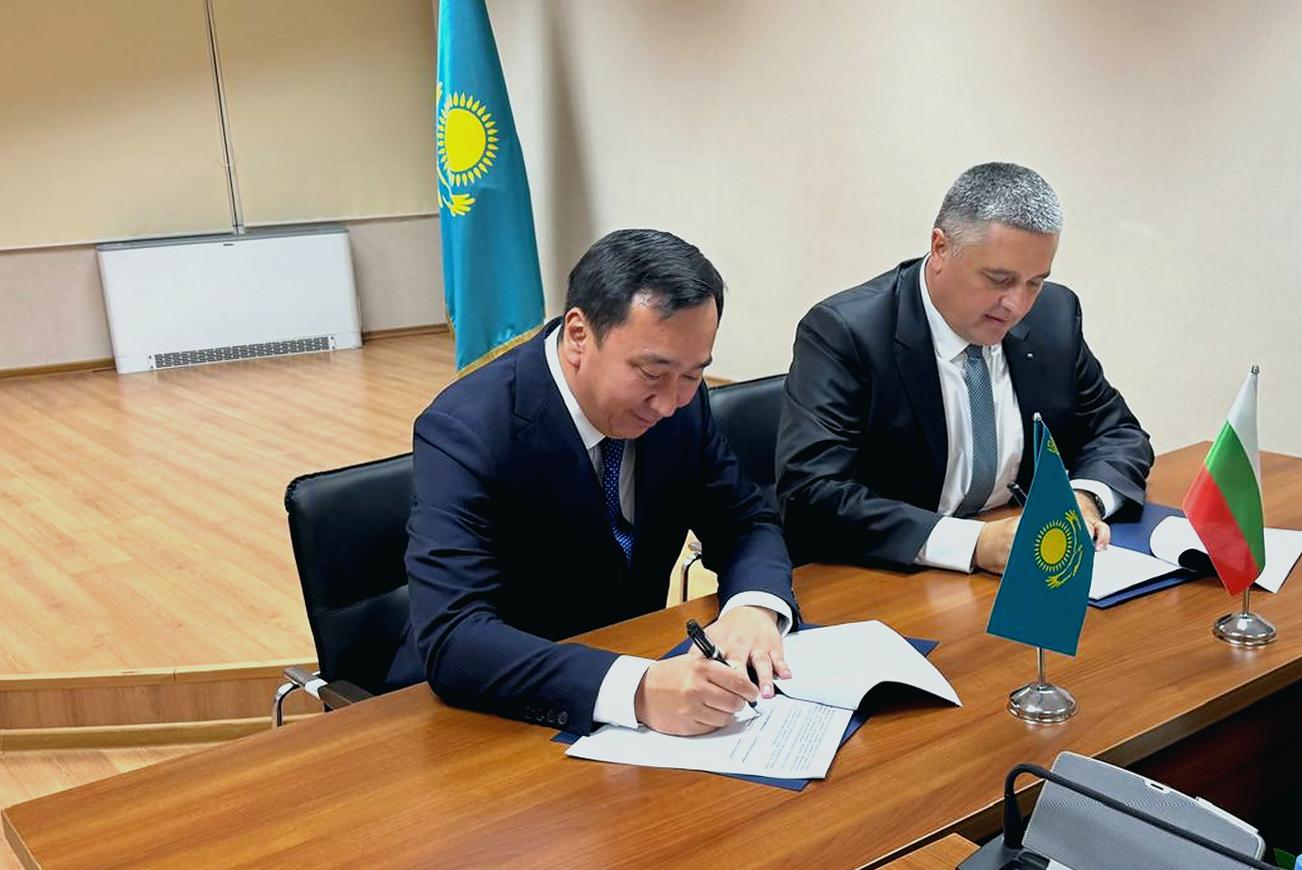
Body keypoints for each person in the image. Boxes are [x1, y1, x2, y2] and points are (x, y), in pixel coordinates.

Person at [387, 229, 798, 736]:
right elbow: (455, 638)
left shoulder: (681, 407)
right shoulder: (467, 430)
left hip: (631, 681)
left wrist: (753, 606)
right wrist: (637, 690)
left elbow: (743, 521)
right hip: (482, 716)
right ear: (579, 334)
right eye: (652, 373)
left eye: (693, 375)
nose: (670, 403)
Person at [776, 162, 1153, 574]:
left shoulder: (1053, 315)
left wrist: (1083, 499)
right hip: (891, 574)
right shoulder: (846, 333)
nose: (1017, 305)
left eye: (1034, 282)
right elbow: (811, 495)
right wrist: (974, 543)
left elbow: (1117, 431)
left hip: (1021, 559)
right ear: (941, 248)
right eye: (998, 279)